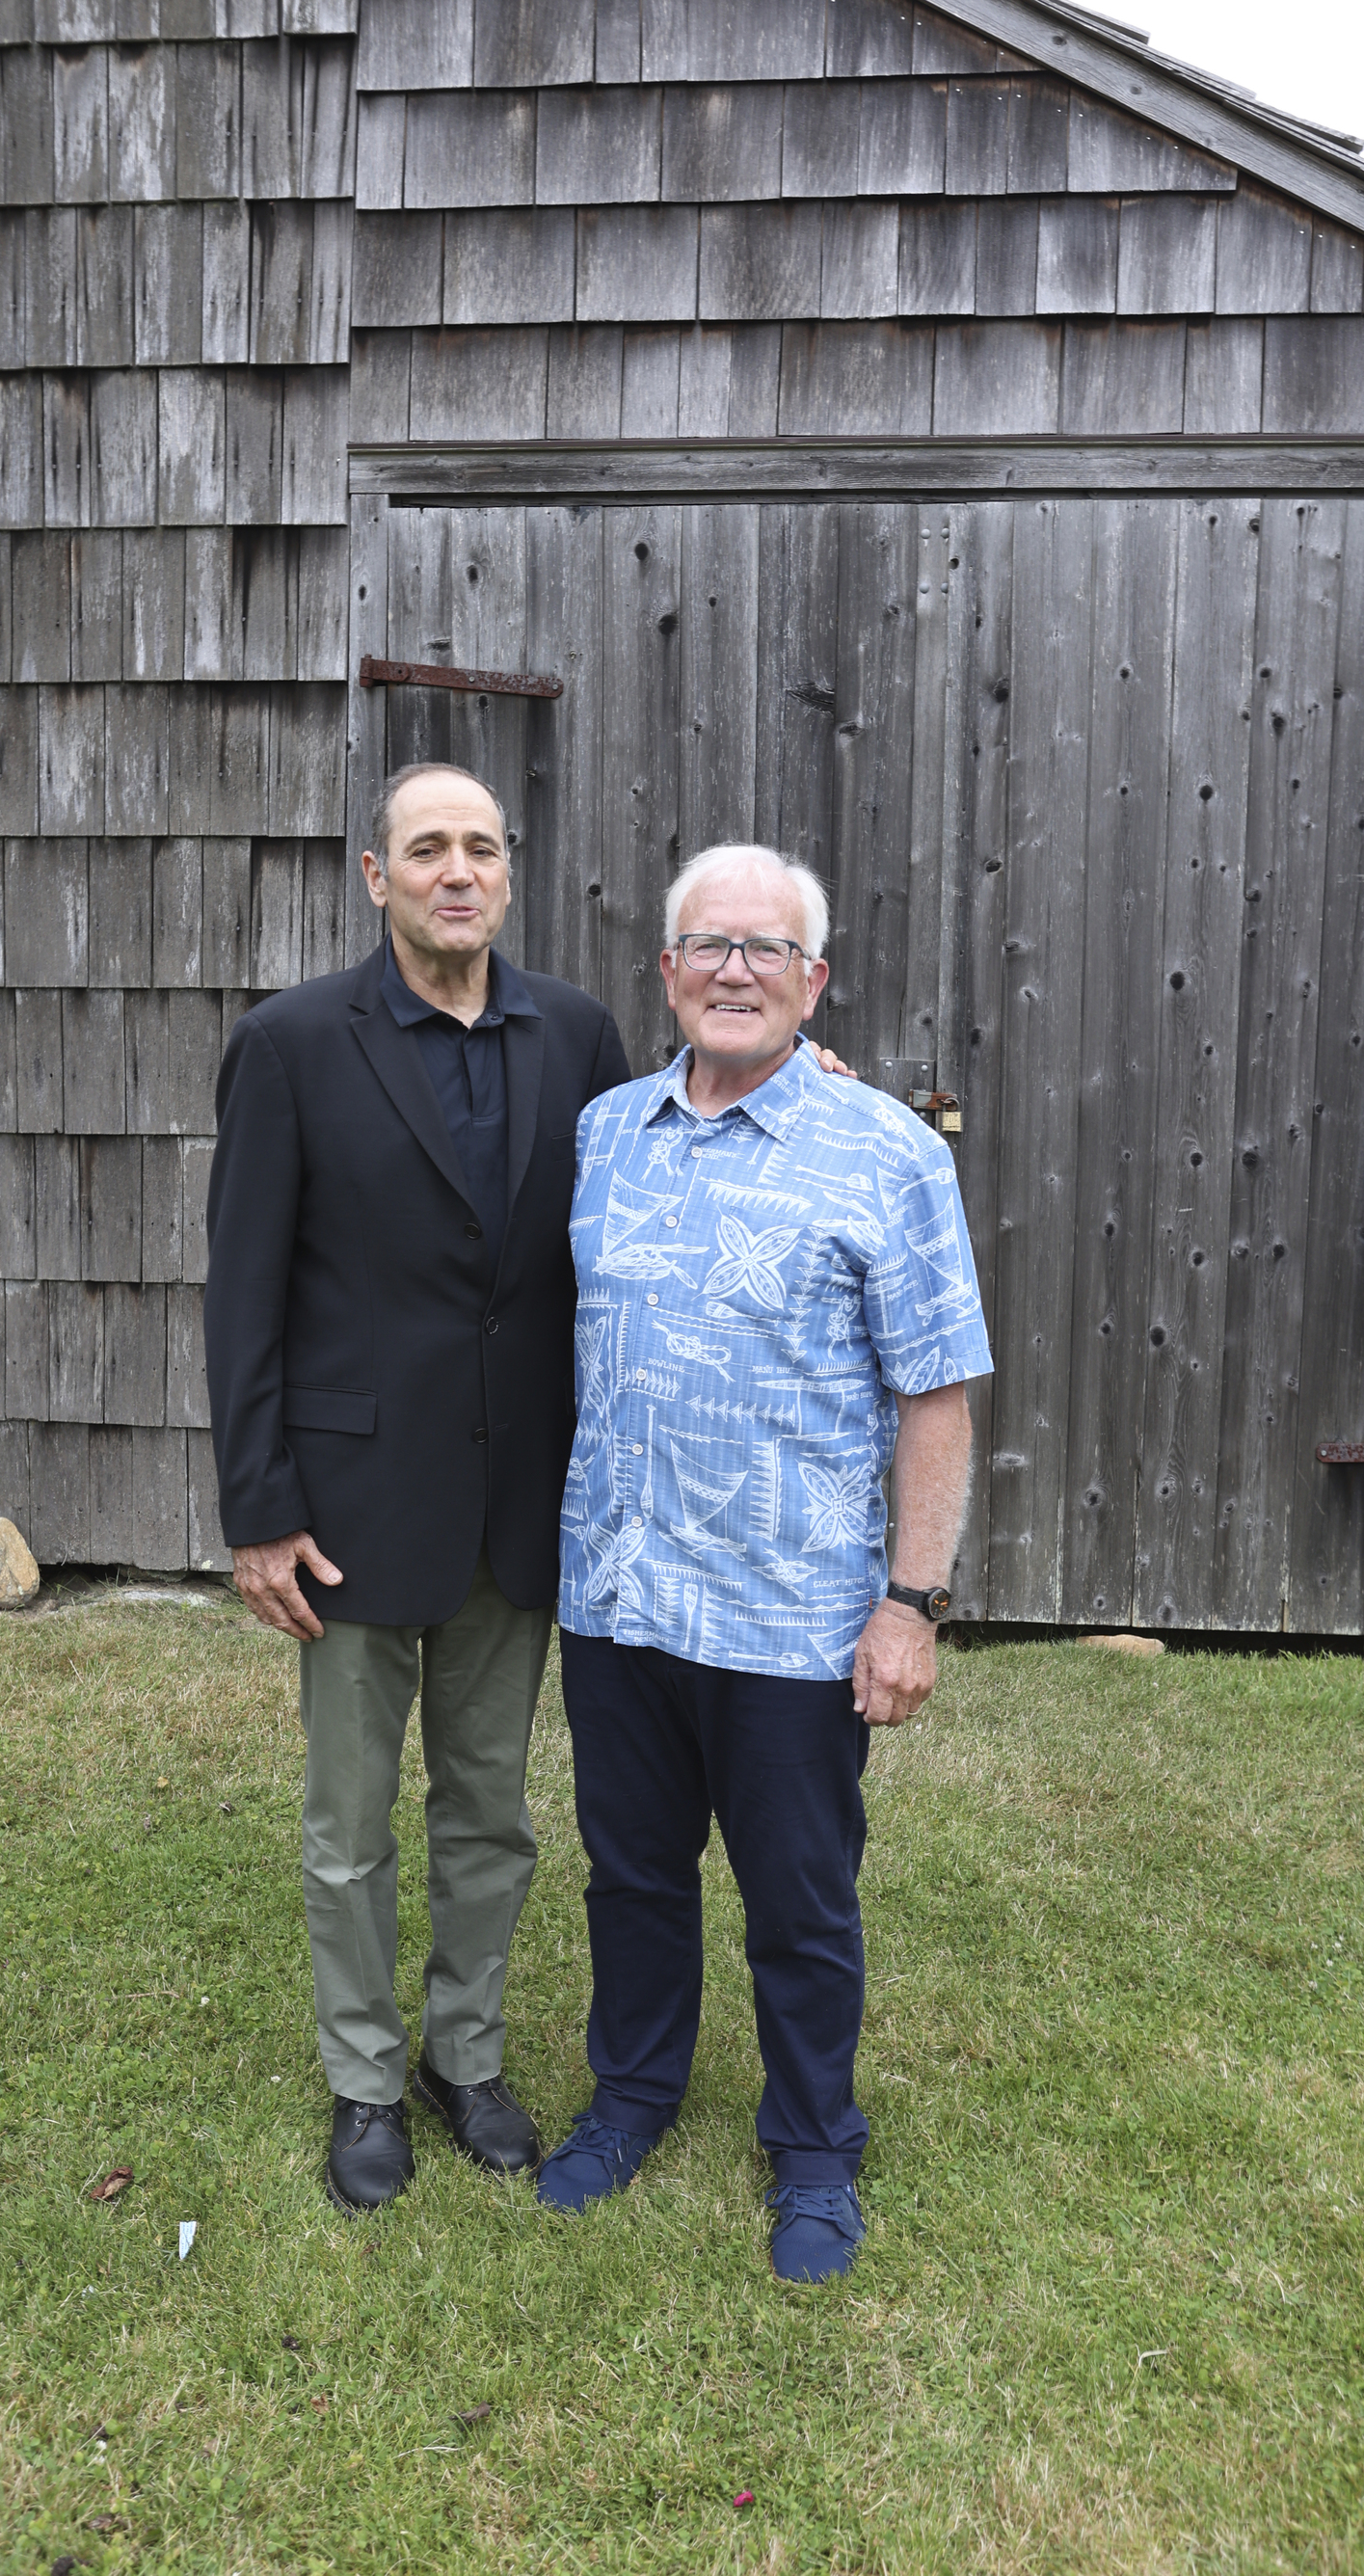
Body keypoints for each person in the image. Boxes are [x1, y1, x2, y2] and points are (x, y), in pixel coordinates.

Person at [535, 843, 993, 2283]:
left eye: (767, 949)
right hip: (619, 1597)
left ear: (816, 979)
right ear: (665, 971)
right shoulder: (605, 1132)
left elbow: (937, 1396)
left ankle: (811, 2149)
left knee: (801, 1900)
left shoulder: (890, 1156)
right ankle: (632, 2103)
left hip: (793, 1618)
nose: (736, 970)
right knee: (633, 1877)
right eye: (708, 946)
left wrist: (909, 1604)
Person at [203, 763, 629, 2213]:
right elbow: (243, 1293)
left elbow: (650, 1192)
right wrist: (259, 1508)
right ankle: (365, 2080)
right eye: (427, 848)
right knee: (349, 1826)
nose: (460, 871)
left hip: (519, 1504)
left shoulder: (576, 1036)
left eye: (484, 849)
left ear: (511, 875)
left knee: (491, 1816)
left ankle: (467, 2055)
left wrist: (794, 1080)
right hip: (348, 1513)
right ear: (375, 877)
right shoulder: (292, 1045)